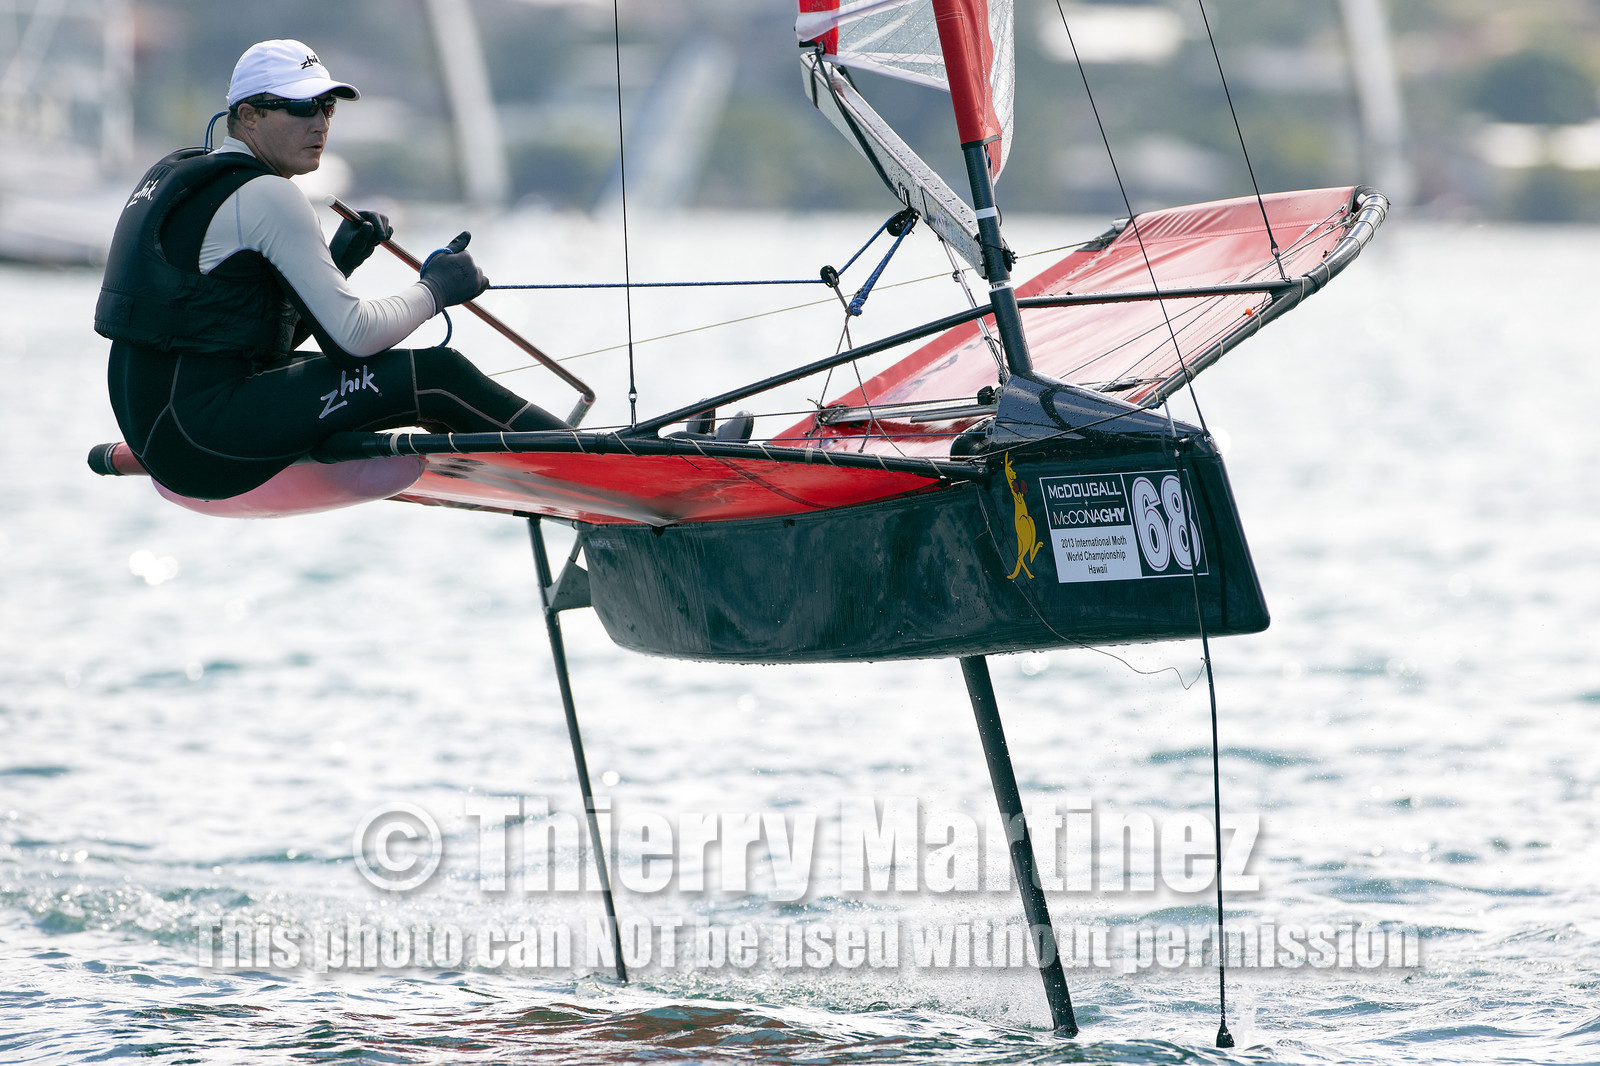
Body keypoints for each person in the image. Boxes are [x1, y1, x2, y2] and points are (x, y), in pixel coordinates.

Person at [97, 38, 562, 501]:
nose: (320, 123)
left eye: (327, 108)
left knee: (411, 379)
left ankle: (539, 465)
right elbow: (353, 340)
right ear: (249, 115)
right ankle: (603, 459)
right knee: (439, 375)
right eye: (301, 108)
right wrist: (437, 289)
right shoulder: (269, 195)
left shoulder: (185, 177)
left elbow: (244, 336)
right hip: (201, 437)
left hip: (161, 434)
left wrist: (343, 259)